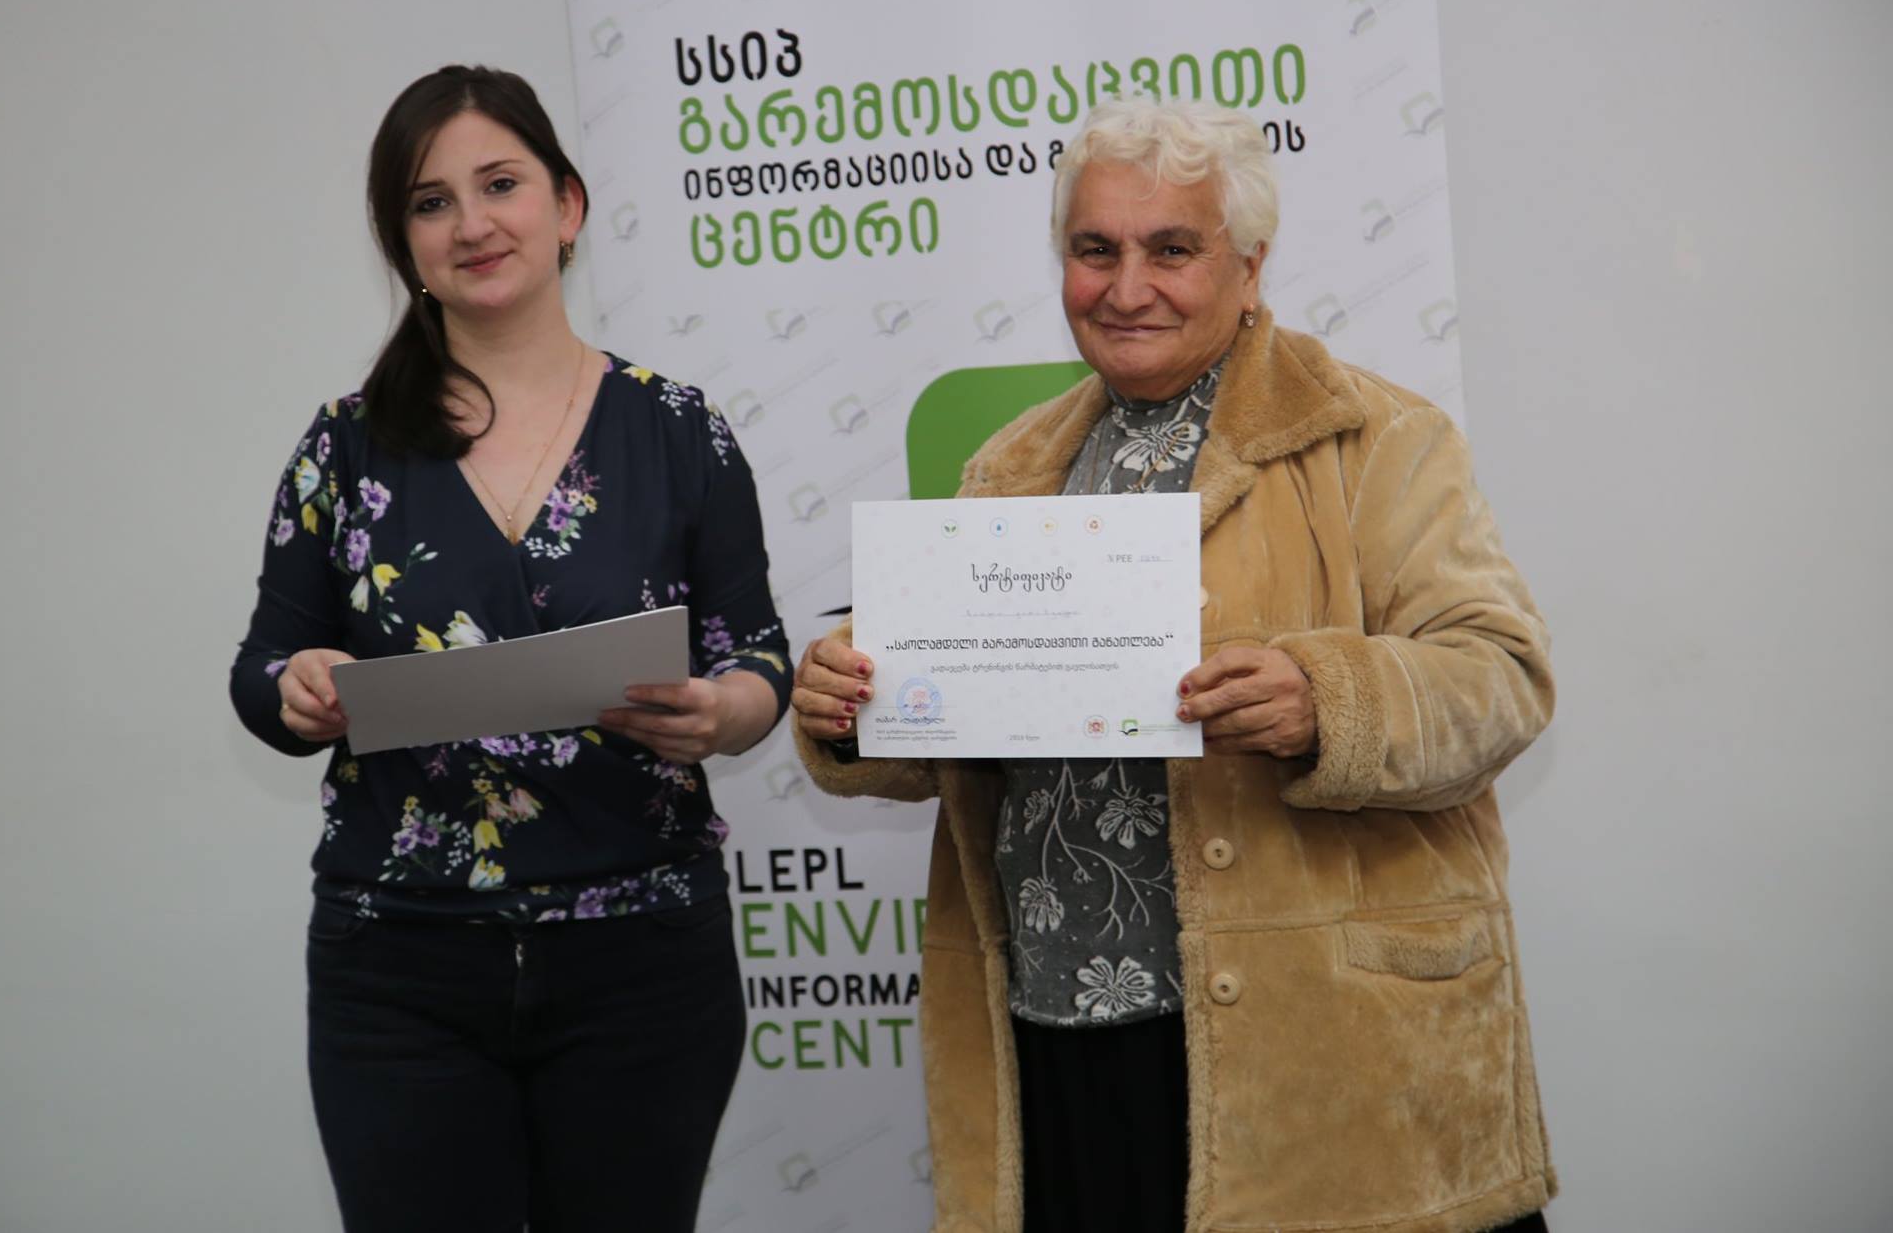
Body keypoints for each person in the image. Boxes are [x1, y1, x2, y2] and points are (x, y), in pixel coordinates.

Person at [790, 99, 1556, 1233]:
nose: (1126, 285)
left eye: (1172, 249)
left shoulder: (1378, 437)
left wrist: (1326, 700)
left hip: (1317, 1047)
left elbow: (1500, 675)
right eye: (1094, 249)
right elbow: (960, 732)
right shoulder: (1009, 465)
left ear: (1250, 267)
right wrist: (853, 705)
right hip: (1056, 1035)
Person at [230, 64, 789, 1233]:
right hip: (400, 969)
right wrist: (299, 689)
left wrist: (720, 712)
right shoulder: (342, 448)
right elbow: (264, 668)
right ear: (403, 242)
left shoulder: (677, 430)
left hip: (643, 960)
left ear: (566, 205)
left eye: (500, 185)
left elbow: (757, 657)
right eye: (430, 202)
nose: (471, 224)